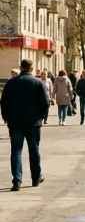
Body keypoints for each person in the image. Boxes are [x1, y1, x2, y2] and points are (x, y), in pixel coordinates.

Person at [0, 58, 49, 191]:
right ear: (32, 69)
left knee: (16, 150)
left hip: (15, 121)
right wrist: (41, 116)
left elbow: (4, 101)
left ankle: (17, 180)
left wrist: (6, 117)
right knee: (34, 150)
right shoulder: (38, 82)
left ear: (20, 68)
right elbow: (45, 102)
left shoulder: (11, 83)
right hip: (33, 122)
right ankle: (36, 178)